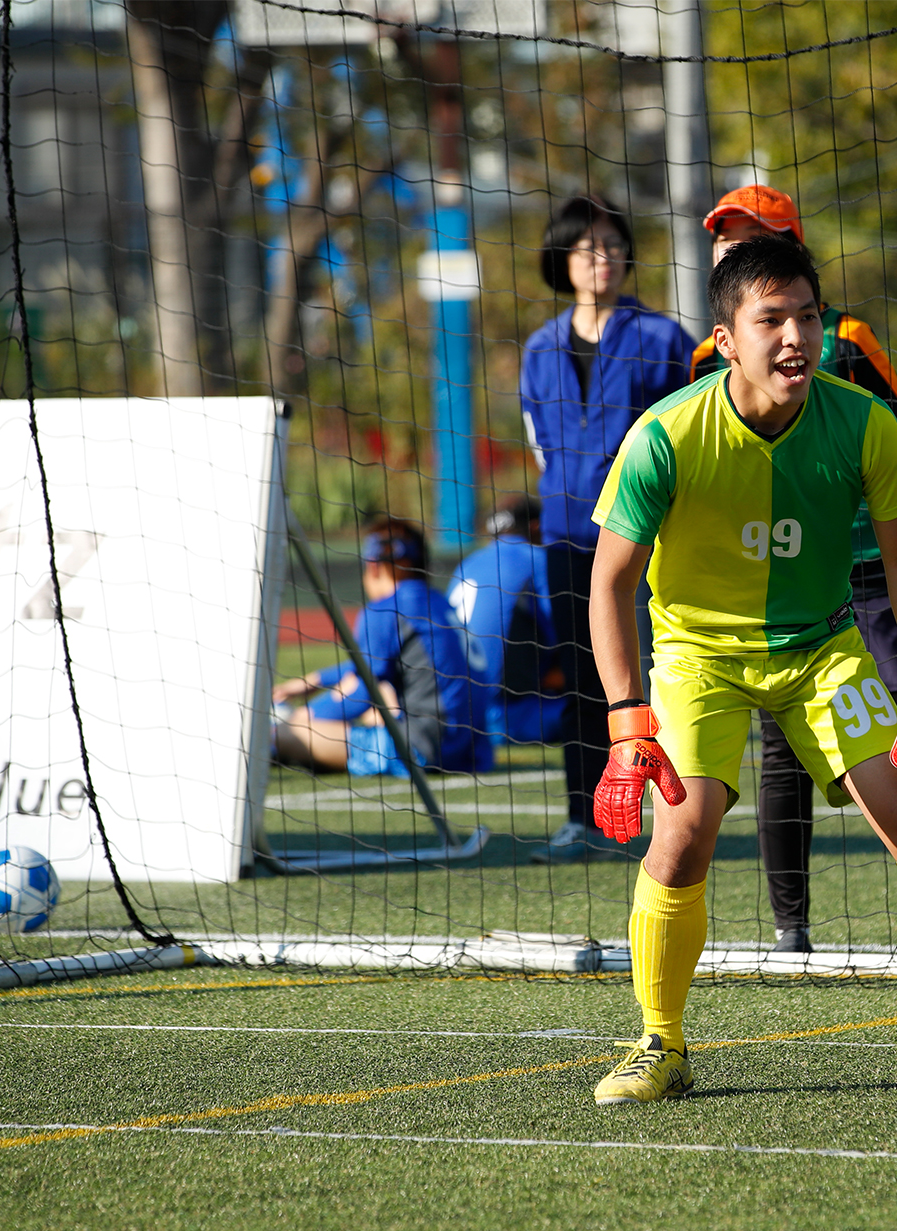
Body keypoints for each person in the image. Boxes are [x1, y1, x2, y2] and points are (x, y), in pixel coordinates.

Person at [583, 234, 897, 1105]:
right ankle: (660, 1043)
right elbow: (608, 580)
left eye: (807, 315)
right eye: (771, 320)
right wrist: (626, 719)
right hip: (697, 659)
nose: (795, 336)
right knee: (682, 836)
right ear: (726, 339)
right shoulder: (665, 435)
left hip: (824, 649)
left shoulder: (863, 421)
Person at [689, 184, 897, 956]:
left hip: (866, 568)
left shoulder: (845, 339)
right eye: (724, 237)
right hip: (778, 582)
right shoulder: (706, 357)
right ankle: (790, 928)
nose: (731, 245)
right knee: (778, 754)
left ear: (791, 242)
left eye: (749, 233)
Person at [521, 192, 694, 862]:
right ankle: (583, 818)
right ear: (561, 260)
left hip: (646, 539)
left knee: (658, 676)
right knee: (581, 677)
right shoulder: (538, 348)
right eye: (589, 246)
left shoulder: (664, 339)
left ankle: (672, 819)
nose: (605, 257)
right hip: (565, 537)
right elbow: (538, 441)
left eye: (614, 245)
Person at [273, 517, 481, 775]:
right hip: (473, 752)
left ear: (372, 566)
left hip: (422, 750)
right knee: (380, 709)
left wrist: (306, 715)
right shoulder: (439, 604)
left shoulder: (386, 608)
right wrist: (316, 679)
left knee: (283, 735)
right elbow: (394, 662)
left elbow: (364, 688)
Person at [446, 494, 565, 753]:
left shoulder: (466, 564)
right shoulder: (537, 559)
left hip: (456, 714)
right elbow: (567, 639)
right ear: (536, 527)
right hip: (510, 717)